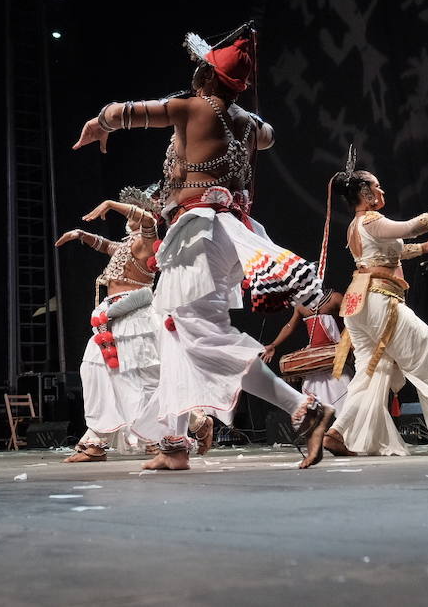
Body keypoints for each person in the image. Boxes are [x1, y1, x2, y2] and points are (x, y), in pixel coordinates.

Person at [72, 28, 333, 471]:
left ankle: (304, 409)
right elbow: (268, 136)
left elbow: (122, 113)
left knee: (199, 329)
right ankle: (173, 444)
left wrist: (99, 122)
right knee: (172, 325)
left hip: (201, 232)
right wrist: (235, 101)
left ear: (207, 77)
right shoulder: (249, 124)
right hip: (227, 230)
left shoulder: (191, 107)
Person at [321, 163, 428, 457]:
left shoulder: (357, 226)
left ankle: (337, 432)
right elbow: (410, 226)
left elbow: (390, 250)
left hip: (359, 302)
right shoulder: (371, 220)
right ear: (364, 192)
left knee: (373, 370)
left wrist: (423, 250)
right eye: (376, 186)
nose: (381, 190)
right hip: (379, 299)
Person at [56, 188, 174, 462]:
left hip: (135, 317)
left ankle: (171, 432)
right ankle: (98, 439)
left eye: (131, 208)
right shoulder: (126, 245)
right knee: (94, 371)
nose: (128, 211)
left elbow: (147, 221)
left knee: (143, 380)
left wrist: (110, 203)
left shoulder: (149, 241)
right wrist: (81, 235)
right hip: (110, 317)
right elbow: (107, 246)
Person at [261, 290, 352, 413]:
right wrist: (273, 344)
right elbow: (290, 325)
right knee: (317, 406)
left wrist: (346, 342)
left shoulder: (335, 298)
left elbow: (354, 319)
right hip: (315, 363)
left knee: (344, 402)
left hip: (336, 358)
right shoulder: (300, 305)